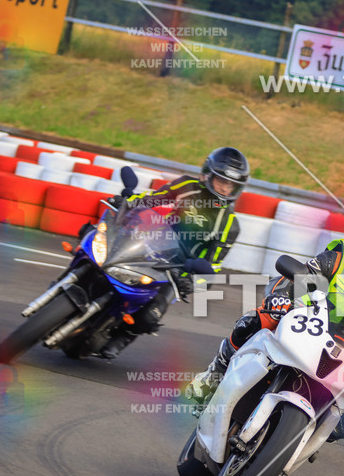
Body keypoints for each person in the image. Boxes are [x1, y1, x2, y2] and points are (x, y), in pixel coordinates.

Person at [185, 222, 344, 443]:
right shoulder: (341, 256)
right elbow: (299, 279)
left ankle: (326, 429)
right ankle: (215, 373)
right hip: (308, 320)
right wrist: (281, 299)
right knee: (256, 319)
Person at [99, 147, 249, 359]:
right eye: (222, 181)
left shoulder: (230, 225)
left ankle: (123, 337)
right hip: (147, 245)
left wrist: (193, 283)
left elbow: (212, 266)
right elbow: (155, 198)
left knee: (150, 315)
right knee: (101, 256)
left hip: (174, 271)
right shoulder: (186, 185)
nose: (225, 188)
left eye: (231, 185)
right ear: (208, 174)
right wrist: (129, 203)